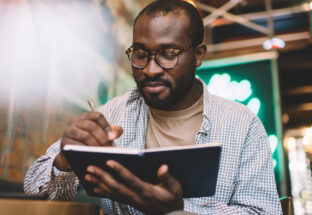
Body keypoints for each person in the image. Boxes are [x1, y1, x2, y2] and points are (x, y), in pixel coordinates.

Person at [24, 0, 282, 214]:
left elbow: (263, 212)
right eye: (140, 54)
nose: (151, 69)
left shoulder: (242, 125)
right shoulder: (112, 114)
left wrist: (178, 210)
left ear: (198, 55)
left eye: (168, 54)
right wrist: (66, 160)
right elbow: (35, 192)